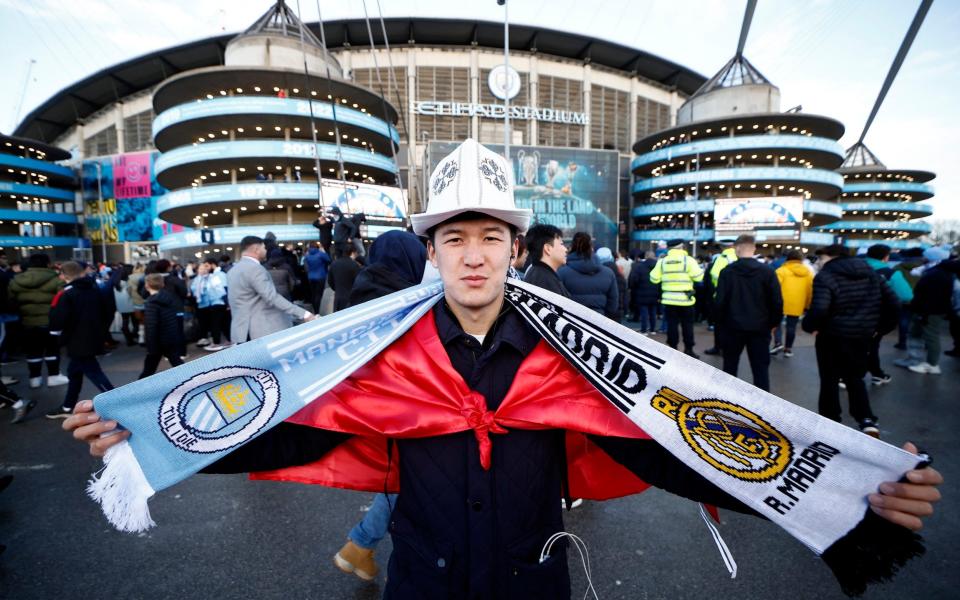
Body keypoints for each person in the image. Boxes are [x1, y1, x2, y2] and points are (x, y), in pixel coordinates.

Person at [64, 140, 944, 599]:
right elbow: (279, 426)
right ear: (433, 249)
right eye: (457, 237)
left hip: (534, 586)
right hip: (420, 588)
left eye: (492, 237)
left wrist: (842, 490)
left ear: (516, 248)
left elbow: (670, 445)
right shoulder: (382, 355)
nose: (475, 256)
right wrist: (141, 439)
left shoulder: (574, 356)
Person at [335, 229, 427, 580]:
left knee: (398, 475)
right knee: (406, 478)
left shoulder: (364, 290)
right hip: (406, 405)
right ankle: (360, 544)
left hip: (370, 404)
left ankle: (362, 547)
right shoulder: (402, 298)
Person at [801, 245, 899, 437]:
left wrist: (809, 326)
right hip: (861, 336)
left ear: (830, 257)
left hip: (831, 336)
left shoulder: (826, 276)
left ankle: (830, 421)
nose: (819, 263)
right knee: (855, 378)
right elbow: (894, 303)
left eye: (821, 259)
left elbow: (820, 308)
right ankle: (866, 419)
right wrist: (879, 329)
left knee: (829, 379)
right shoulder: (871, 273)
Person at [45, 261, 114, 419]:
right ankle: (68, 405)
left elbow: (58, 318)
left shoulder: (67, 293)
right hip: (92, 337)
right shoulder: (94, 288)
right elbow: (106, 311)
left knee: (94, 373)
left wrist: (55, 336)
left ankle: (117, 402)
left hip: (76, 341)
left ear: (64, 275)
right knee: (74, 372)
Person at [714, 235, 783, 392]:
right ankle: (762, 407)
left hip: (732, 327)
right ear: (754, 249)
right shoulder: (768, 272)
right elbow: (777, 301)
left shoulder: (727, 272)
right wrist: (773, 323)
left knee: (730, 367)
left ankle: (727, 401)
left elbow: (719, 302)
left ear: (736, 249)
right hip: (760, 327)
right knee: (760, 369)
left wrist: (720, 323)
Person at [227, 235, 314, 343]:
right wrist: (303, 314)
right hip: (261, 330)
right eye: (264, 248)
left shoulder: (232, 271)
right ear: (256, 250)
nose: (265, 251)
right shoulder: (255, 269)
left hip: (242, 331)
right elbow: (271, 297)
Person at [7, 253, 68, 389]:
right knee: (52, 349)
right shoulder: (55, 280)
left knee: (33, 351)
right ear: (47, 263)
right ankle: (53, 376)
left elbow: (11, 300)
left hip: (27, 322)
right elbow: (63, 300)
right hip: (50, 322)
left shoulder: (16, 280)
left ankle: (34, 379)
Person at [895, 250, 959, 375]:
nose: (923, 258)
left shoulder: (937, 274)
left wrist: (922, 311)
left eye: (926, 256)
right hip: (928, 310)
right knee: (916, 333)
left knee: (930, 336)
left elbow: (931, 295)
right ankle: (915, 359)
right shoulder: (939, 272)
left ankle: (932, 364)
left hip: (929, 311)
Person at [863, 244, 913, 383]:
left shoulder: (854, 269)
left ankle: (875, 372)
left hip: (848, 313)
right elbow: (906, 295)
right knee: (871, 345)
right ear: (886, 257)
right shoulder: (890, 273)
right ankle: (864, 374)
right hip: (876, 316)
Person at [649, 239, 704, 357]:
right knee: (687, 325)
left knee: (672, 325)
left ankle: (673, 349)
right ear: (682, 247)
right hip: (686, 300)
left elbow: (654, 279)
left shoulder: (662, 262)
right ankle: (689, 350)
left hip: (668, 300)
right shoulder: (688, 260)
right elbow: (699, 278)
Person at [557, 232, 618, 319]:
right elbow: (613, 304)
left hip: (572, 322)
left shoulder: (562, 272)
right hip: (600, 321)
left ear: (571, 248)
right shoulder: (608, 273)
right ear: (591, 248)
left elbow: (558, 301)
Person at [139, 274, 185, 379]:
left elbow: (151, 326)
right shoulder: (168, 297)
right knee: (176, 362)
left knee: (148, 370)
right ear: (162, 284)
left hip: (158, 341)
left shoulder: (151, 303)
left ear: (147, 285)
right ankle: (192, 381)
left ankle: (136, 391)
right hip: (170, 337)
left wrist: (150, 346)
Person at [773, 250, 813, 357]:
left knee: (777, 323)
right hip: (798, 303)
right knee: (792, 327)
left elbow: (775, 288)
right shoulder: (808, 273)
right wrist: (808, 305)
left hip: (781, 302)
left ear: (788, 258)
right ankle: (788, 349)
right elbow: (810, 290)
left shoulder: (781, 271)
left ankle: (778, 343)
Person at [704, 243, 738, 355]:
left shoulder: (721, 258)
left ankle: (719, 347)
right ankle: (730, 348)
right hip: (736, 297)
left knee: (719, 324)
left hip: (721, 296)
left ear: (722, 248)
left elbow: (714, 274)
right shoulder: (738, 257)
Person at [190, 259, 229, 352]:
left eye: (206, 266)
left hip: (216, 302)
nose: (204, 269)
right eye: (201, 268)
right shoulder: (199, 279)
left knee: (217, 323)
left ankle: (217, 343)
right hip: (209, 303)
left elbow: (222, 290)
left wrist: (227, 303)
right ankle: (224, 341)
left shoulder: (215, 276)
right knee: (219, 323)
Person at [521, 224, 569, 298]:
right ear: (548, 249)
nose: (566, 249)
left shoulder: (538, 274)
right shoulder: (544, 282)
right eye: (561, 244)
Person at [628, 251, 658, 334]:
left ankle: (644, 330)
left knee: (644, 312)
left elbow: (634, 280)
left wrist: (634, 288)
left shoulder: (639, 266)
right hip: (655, 292)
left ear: (646, 256)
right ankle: (652, 330)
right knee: (653, 312)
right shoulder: (658, 266)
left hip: (641, 292)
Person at [596, 247, 626, 323]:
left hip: (598, 312)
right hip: (615, 313)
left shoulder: (593, 273)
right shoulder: (619, 274)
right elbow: (623, 295)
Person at [328, 245, 362, 312]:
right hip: (351, 299)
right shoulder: (354, 265)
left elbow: (330, 281)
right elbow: (359, 282)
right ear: (352, 252)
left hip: (338, 298)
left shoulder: (334, 264)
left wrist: (337, 289)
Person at [303, 244, 332, 314]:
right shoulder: (321, 254)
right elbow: (329, 260)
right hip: (321, 276)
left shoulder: (307, 255)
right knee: (319, 294)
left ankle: (315, 310)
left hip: (310, 277)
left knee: (313, 294)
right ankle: (318, 310)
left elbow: (305, 265)